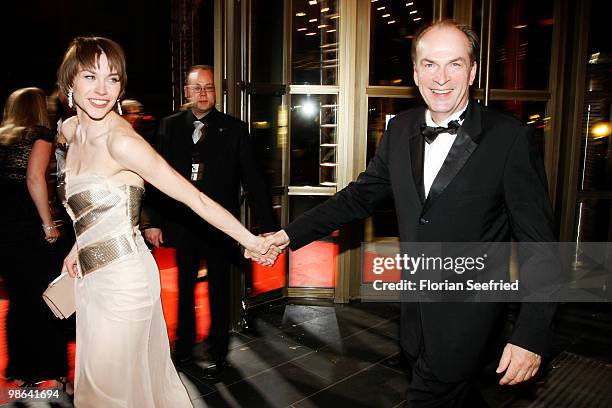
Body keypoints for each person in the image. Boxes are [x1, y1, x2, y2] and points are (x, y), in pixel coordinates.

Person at [260, 20, 558, 407]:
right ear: (415, 72)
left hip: (467, 320)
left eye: (454, 64)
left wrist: (530, 336)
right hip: (415, 318)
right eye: (430, 64)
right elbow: (359, 197)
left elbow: (542, 246)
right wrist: (287, 236)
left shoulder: (509, 138)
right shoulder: (400, 130)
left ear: (473, 71)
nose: (441, 77)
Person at [56, 36, 278, 407]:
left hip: (126, 281)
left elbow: (193, 197)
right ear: (69, 84)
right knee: (99, 384)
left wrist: (251, 241)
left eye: (112, 79)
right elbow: (93, 206)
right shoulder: (68, 131)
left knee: (112, 392)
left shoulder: (122, 143)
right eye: (90, 77)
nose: (101, 90)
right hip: (90, 280)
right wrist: (78, 245)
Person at [142, 64, 277, 377]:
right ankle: (184, 347)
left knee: (219, 289)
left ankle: (219, 351)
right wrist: (153, 222)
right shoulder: (169, 126)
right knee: (184, 288)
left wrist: (267, 227)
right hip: (182, 224)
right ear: (187, 92)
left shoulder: (234, 128)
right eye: (197, 88)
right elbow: (155, 180)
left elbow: (254, 181)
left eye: (209, 87)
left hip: (220, 226)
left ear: (217, 91)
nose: (204, 93)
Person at [0, 87, 69, 387]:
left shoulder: (3, 137)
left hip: (5, 227)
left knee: (18, 299)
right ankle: (51, 368)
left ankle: (19, 367)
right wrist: (47, 224)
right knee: (46, 298)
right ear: (39, 107)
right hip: (30, 225)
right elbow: (34, 177)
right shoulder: (40, 133)